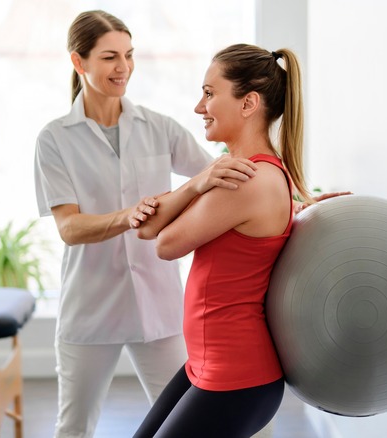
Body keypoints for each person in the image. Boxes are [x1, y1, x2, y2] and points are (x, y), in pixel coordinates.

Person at [33, 11, 259, 438]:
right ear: (79, 62)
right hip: (90, 307)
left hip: (158, 307)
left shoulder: (158, 127)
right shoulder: (55, 139)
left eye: (129, 55)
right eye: (109, 57)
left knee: (181, 419)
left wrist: (300, 196)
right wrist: (126, 217)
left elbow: (225, 173)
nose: (123, 68)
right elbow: (69, 227)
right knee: (74, 427)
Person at [132, 44, 345, 437]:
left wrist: (196, 185)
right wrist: (198, 182)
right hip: (209, 365)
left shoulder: (244, 180)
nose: (200, 107)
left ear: (248, 103)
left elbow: (165, 245)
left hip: (235, 377)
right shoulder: (242, 173)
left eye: (210, 94)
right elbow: (145, 228)